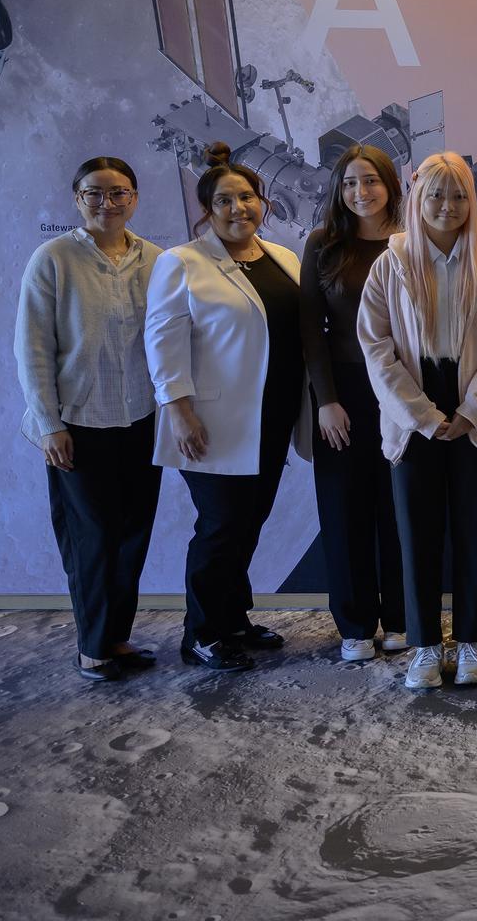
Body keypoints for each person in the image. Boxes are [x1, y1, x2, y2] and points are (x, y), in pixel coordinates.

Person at [358, 151, 477, 692]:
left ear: (471, 201)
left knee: (476, 532)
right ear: (416, 199)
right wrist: (425, 417)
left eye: (458, 196)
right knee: (418, 535)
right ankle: (425, 646)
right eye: (435, 195)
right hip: (412, 413)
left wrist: (471, 412)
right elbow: (376, 347)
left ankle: (473, 641)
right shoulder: (391, 263)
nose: (447, 207)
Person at [145, 142, 312, 672]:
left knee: (248, 522)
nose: (239, 208)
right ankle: (201, 633)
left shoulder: (283, 257)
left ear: (262, 202)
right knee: (220, 527)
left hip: (270, 420)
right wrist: (179, 409)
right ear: (207, 210)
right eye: (224, 201)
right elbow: (163, 338)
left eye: (247, 197)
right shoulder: (184, 263)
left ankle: (234, 620)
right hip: (210, 423)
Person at [15, 156, 163, 682]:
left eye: (119, 192)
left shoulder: (156, 259)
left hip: (142, 418)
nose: (108, 203)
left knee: (132, 533)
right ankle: (93, 646)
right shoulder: (53, 258)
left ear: (135, 198)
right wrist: (49, 423)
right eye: (95, 193)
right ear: (78, 199)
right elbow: (32, 347)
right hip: (78, 423)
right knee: (91, 537)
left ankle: (116, 637)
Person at [300, 144, 406, 663]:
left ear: (390, 185)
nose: (360, 192)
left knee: (399, 508)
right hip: (342, 393)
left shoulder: (412, 242)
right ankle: (356, 624)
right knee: (345, 512)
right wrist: (326, 401)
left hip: (403, 392)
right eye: (348, 183)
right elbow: (311, 330)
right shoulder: (324, 243)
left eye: (370, 181)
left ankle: (404, 617)